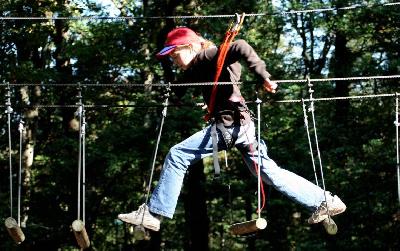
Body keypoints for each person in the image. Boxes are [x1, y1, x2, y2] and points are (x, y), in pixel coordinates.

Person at [118, 27, 346, 232]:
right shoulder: (199, 67)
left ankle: (154, 213)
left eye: (175, 55)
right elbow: (183, 84)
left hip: (229, 126)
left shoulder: (207, 56)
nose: (174, 61)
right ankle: (324, 201)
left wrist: (263, 76)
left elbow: (241, 46)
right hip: (242, 127)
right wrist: (173, 97)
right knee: (269, 173)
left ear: (189, 47)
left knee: (177, 155)